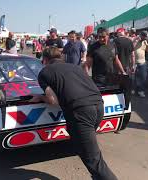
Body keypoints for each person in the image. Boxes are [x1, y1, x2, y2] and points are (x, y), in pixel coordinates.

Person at [30, 47, 118, 180]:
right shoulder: (75, 67)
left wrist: (40, 97)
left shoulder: (44, 72)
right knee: (82, 147)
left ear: (45, 60)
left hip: (81, 111)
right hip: (99, 106)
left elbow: (53, 101)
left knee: (93, 160)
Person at [133, 31, 148, 98]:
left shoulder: (145, 41)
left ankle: (141, 91)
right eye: (144, 37)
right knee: (134, 77)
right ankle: (135, 90)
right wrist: (136, 40)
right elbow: (132, 47)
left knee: (143, 77)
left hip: (142, 62)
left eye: (145, 37)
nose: (144, 38)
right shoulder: (135, 39)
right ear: (141, 35)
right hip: (134, 62)